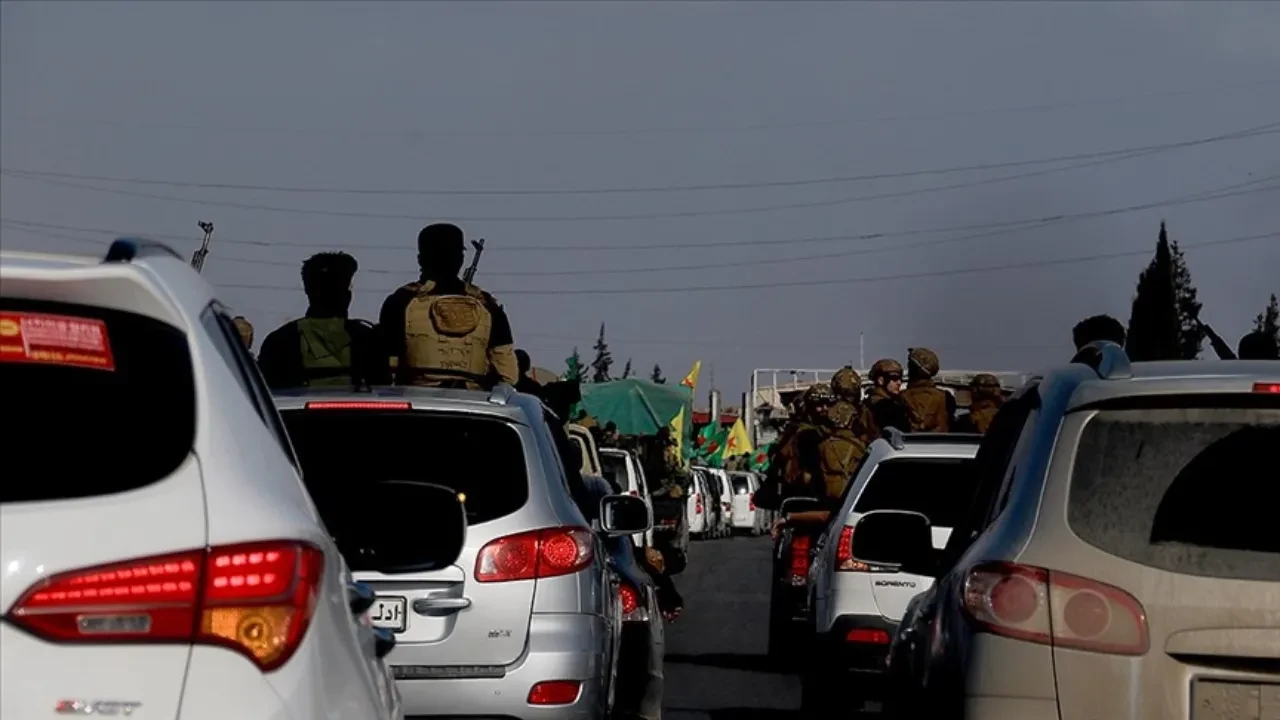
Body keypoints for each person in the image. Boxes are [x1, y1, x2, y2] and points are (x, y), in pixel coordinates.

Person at [378, 223, 518, 389]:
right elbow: (509, 375)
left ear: (420, 258)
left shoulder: (399, 302)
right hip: (474, 408)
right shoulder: (487, 306)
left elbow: (383, 370)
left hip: (416, 405)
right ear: (460, 258)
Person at [257, 252, 383, 389]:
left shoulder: (279, 341)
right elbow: (384, 389)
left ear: (307, 290)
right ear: (347, 295)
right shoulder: (369, 339)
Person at [900, 347, 955, 432]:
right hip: (941, 444)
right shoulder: (946, 397)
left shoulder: (899, 398)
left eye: (909, 365)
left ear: (913, 369)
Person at [861, 358, 912, 441]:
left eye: (900, 379)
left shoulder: (868, 402)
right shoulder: (887, 407)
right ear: (881, 380)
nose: (899, 383)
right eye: (894, 379)